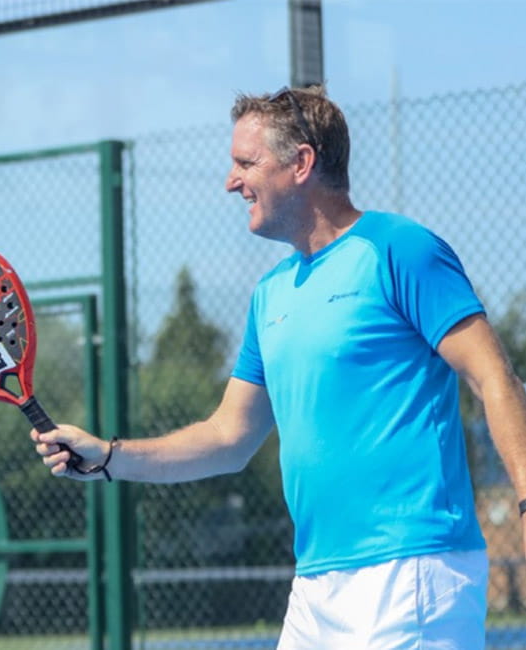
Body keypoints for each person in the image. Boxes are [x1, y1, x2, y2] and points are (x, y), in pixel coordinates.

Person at [32, 85, 526, 648]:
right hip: (316, 586)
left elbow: (495, 380)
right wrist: (109, 458)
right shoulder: (269, 294)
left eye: (246, 163)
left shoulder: (400, 249)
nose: (230, 181)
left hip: (412, 571)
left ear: (302, 163)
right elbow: (228, 437)